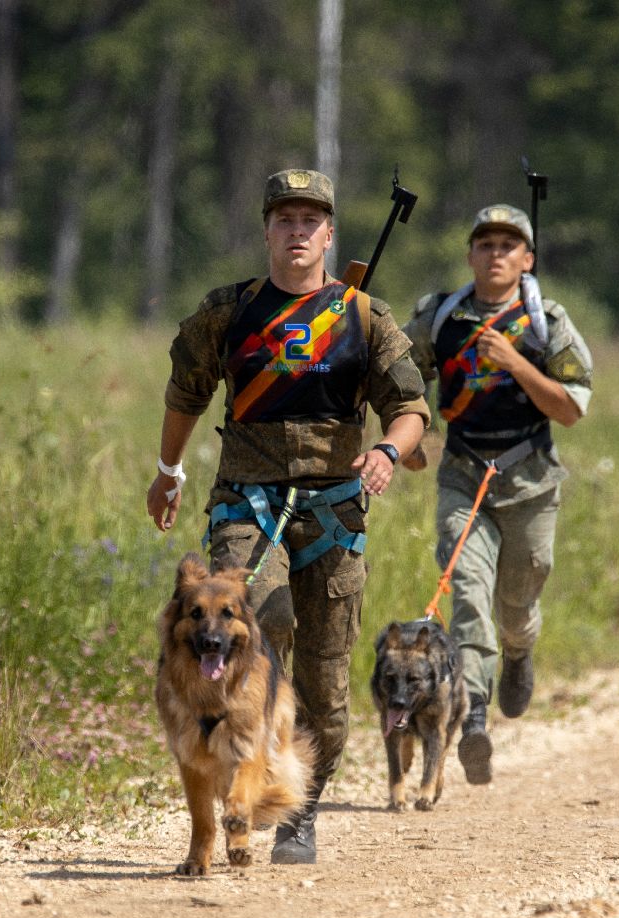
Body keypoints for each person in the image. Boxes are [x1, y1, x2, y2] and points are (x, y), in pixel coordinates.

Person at [146, 168, 429, 864]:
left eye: (311, 221)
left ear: (329, 233)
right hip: (248, 497)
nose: (297, 232)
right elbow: (186, 391)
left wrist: (389, 451)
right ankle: (242, 771)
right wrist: (168, 471)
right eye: (285, 219)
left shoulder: (364, 317)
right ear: (268, 230)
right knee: (260, 620)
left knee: (328, 686)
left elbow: (411, 408)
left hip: (335, 507)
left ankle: (300, 809)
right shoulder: (230, 311)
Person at [402, 204, 594, 785]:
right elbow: (402, 377)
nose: (495, 253)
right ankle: (475, 715)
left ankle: (519, 651)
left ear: (527, 260)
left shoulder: (547, 324)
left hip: (530, 478)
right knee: (465, 590)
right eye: (484, 243)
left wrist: (516, 362)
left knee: (518, 593)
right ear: (470, 254)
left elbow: (571, 410)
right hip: (464, 474)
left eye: (509, 245)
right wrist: (408, 439)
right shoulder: (442, 317)